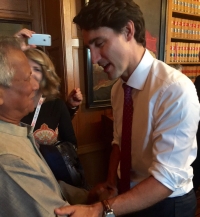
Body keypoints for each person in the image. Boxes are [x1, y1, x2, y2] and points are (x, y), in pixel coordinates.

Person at [54, 0, 200, 216]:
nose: (94, 59)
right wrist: (111, 181)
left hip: (167, 204)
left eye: (100, 43)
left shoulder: (174, 89)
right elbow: (119, 142)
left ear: (128, 30)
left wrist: (98, 210)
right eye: (89, 48)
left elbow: (166, 179)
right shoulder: (119, 89)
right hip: (126, 196)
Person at [0, 36, 70, 216]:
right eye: (27, 78)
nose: (36, 85)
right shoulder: (8, 159)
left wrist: (84, 195)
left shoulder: (17, 130)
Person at [14, 28, 83, 119]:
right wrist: (12, 47)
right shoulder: (8, 102)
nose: (30, 73)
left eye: (37, 69)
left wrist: (70, 107)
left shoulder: (55, 104)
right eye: (26, 67)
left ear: (45, 75)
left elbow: (56, 123)